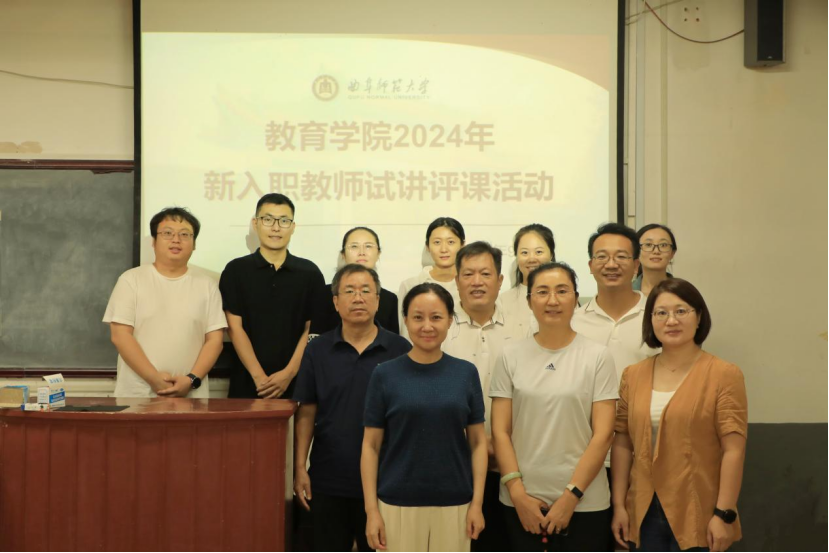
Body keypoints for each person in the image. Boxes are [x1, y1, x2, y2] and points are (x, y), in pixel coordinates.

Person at [611, 278, 748, 552]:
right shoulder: (633, 375)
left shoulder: (724, 374)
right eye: (661, 313)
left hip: (700, 509)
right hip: (642, 510)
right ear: (651, 320)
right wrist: (619, 506)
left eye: (681, 311)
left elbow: (733, 450)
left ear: (699, 317)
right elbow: (623, 442)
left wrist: (724, 513)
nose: (671, 320)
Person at [491, 262, 618, 552]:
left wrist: (571, 496)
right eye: (542, 292)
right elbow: (500, 432)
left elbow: (603, 434)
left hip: (585, 501)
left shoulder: (598, 356)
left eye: (562, 291)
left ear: (576, 298)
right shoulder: (510, 356)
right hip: (521, 501)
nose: (552, 300)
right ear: (529, 301)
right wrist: (518, 494)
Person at [292, 264, 411, 552]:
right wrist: (299, 467)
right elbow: (306, 412)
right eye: (349, 291)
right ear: (335, 301)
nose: (358, 298)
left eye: (366, 291)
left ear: (378, 300)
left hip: (386, 480)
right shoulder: (317, 350)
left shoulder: (400, 350)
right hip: (328, 478)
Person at [362, 283, 487, 552]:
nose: (427, 326)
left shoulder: (465, 373)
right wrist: (372, 511)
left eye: (436, 317)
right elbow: (370, 446)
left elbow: (478, 443)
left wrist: (477, 504)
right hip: (396, 503)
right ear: (405, 320)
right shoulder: (384, 374)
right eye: (418, 317)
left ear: (450, 320)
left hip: (456, 503)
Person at [442, 241, 529, 552]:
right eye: (468, 274)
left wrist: (499, 443)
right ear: (456, 280)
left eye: (485, 274)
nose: (476, 282)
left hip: (513, 465)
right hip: (454, 464)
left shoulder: (524, 329)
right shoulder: (439, 329)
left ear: (500, 280)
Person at [104, 207, 226, 398]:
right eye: (168, 233)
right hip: (138, 394)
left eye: (184, 234)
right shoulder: (131, 280)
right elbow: (120, 336)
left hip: (191, 395)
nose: (176, 240)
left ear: (194, 244)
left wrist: (191, 379)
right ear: (154, 241)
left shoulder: (207, 285)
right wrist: (154, 379)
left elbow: (215, 341)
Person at [219, 193, 327, 399]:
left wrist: (289, 374)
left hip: (297, 382)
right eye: (268, 219)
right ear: (256, 223)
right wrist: (259, 377)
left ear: (293, 227)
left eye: (284, 221)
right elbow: (234, 327)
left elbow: (311, 330)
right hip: (247, 382)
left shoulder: (310, 273)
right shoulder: (236, 270)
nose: (276, 228)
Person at [572, 222, 659, 382]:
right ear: (591, 265)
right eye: (602, 257)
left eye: (621, 256)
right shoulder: (574, 322)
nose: (611, 265)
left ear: (636, 265)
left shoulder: (657, 317)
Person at [318, 227, 400, 334]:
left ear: (378, 253)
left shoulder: (390, 299)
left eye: (368, 246)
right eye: (354, 246)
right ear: (343, 254)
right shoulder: (323, 295)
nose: (362, 252)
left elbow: (393, 341)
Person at [398, 217, 465, 339]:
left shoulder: (469, 285)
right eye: (437, 242)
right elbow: (405, 334)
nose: (444, 249)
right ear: (428, 246)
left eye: (451, 242)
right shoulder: (410, 285)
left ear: (462, 245)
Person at [500, 224, 555, 337]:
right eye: (524, 253)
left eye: (539, 252)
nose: (531, 259)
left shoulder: (565, 298)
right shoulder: (501, 302)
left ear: (551, 255)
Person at [633, 224, 677, 297]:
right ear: (636, 252)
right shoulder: (624, 292)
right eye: (648, 245)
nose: (656, 251)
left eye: (663, 245)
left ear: (672, 253)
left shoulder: (684, 293)